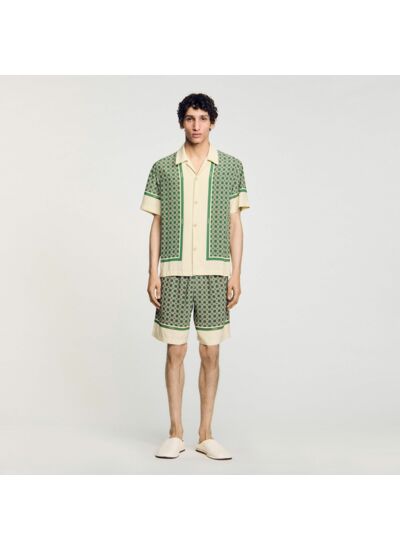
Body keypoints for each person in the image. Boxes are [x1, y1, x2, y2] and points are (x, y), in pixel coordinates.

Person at [139, 93, 250, 460]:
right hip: (173, 272)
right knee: (176, 350)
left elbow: (236, 225)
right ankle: (175, 432)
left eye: (203, 118)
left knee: (210, 352)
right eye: (190, 118)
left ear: (212, 122)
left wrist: (236, 273)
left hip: (215, 272)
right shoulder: (163, 168)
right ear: (181, 123)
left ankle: (206, 434)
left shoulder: (231, 167)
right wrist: (153, 272)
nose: (196, 125)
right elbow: (156, 224)